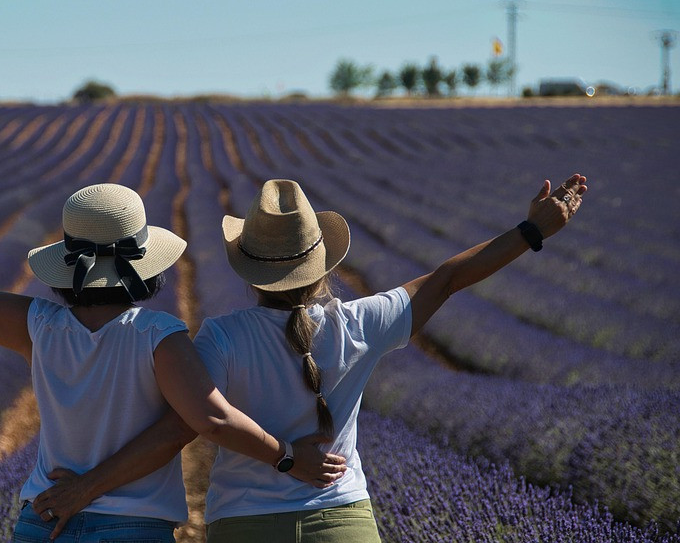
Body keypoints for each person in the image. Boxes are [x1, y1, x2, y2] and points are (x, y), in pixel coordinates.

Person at [33, 174, 587, 543]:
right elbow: (447, 279)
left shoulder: (220, 338)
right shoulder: (360, 323)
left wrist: (88, 484)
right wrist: (532, 230)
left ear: (248, 265)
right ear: (323, 262)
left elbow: (188, 424)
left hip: (244, 525)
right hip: (341, 520)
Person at [0, 183, 345, 543]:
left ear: (67, 263)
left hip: (44, 519)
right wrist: (286, 459)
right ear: (146, 261)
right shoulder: (160, 335)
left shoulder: (40, 325)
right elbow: (209, 420)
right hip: (132, 526)